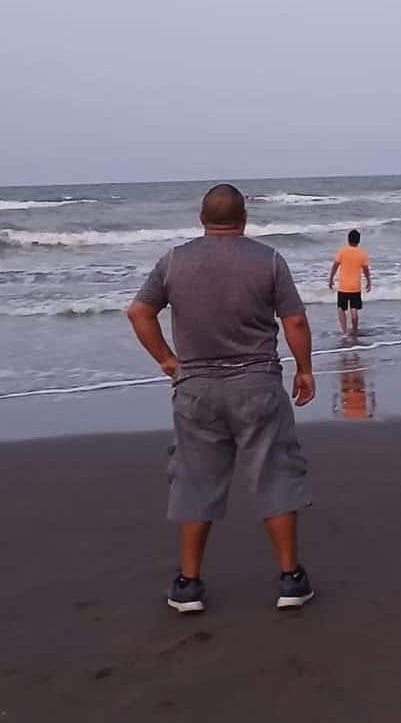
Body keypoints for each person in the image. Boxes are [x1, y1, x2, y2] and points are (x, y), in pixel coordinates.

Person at [127, 183, 316, 614]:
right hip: (256, 382)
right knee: (275, 472)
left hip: (195, 387)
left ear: (202, 219)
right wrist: (304, 368)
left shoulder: (174, 260)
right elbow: (296, 320)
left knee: (194, 478)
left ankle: (188, 583)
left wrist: (168, 360)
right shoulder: (267, 259)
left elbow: (139, 312)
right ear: (244, 218)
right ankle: (290, 578)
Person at [328, 229, 372, 335]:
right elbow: (366, 269)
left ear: (348, 240)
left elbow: (335, 265)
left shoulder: (342, 251)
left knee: (341, 309)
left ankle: (344, 331)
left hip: (343, 286)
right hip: (355, 286)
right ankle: (355, 329)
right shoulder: (362, 253)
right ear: (359, 241)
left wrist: (331, 278)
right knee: (354, 309)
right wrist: (368, 281)